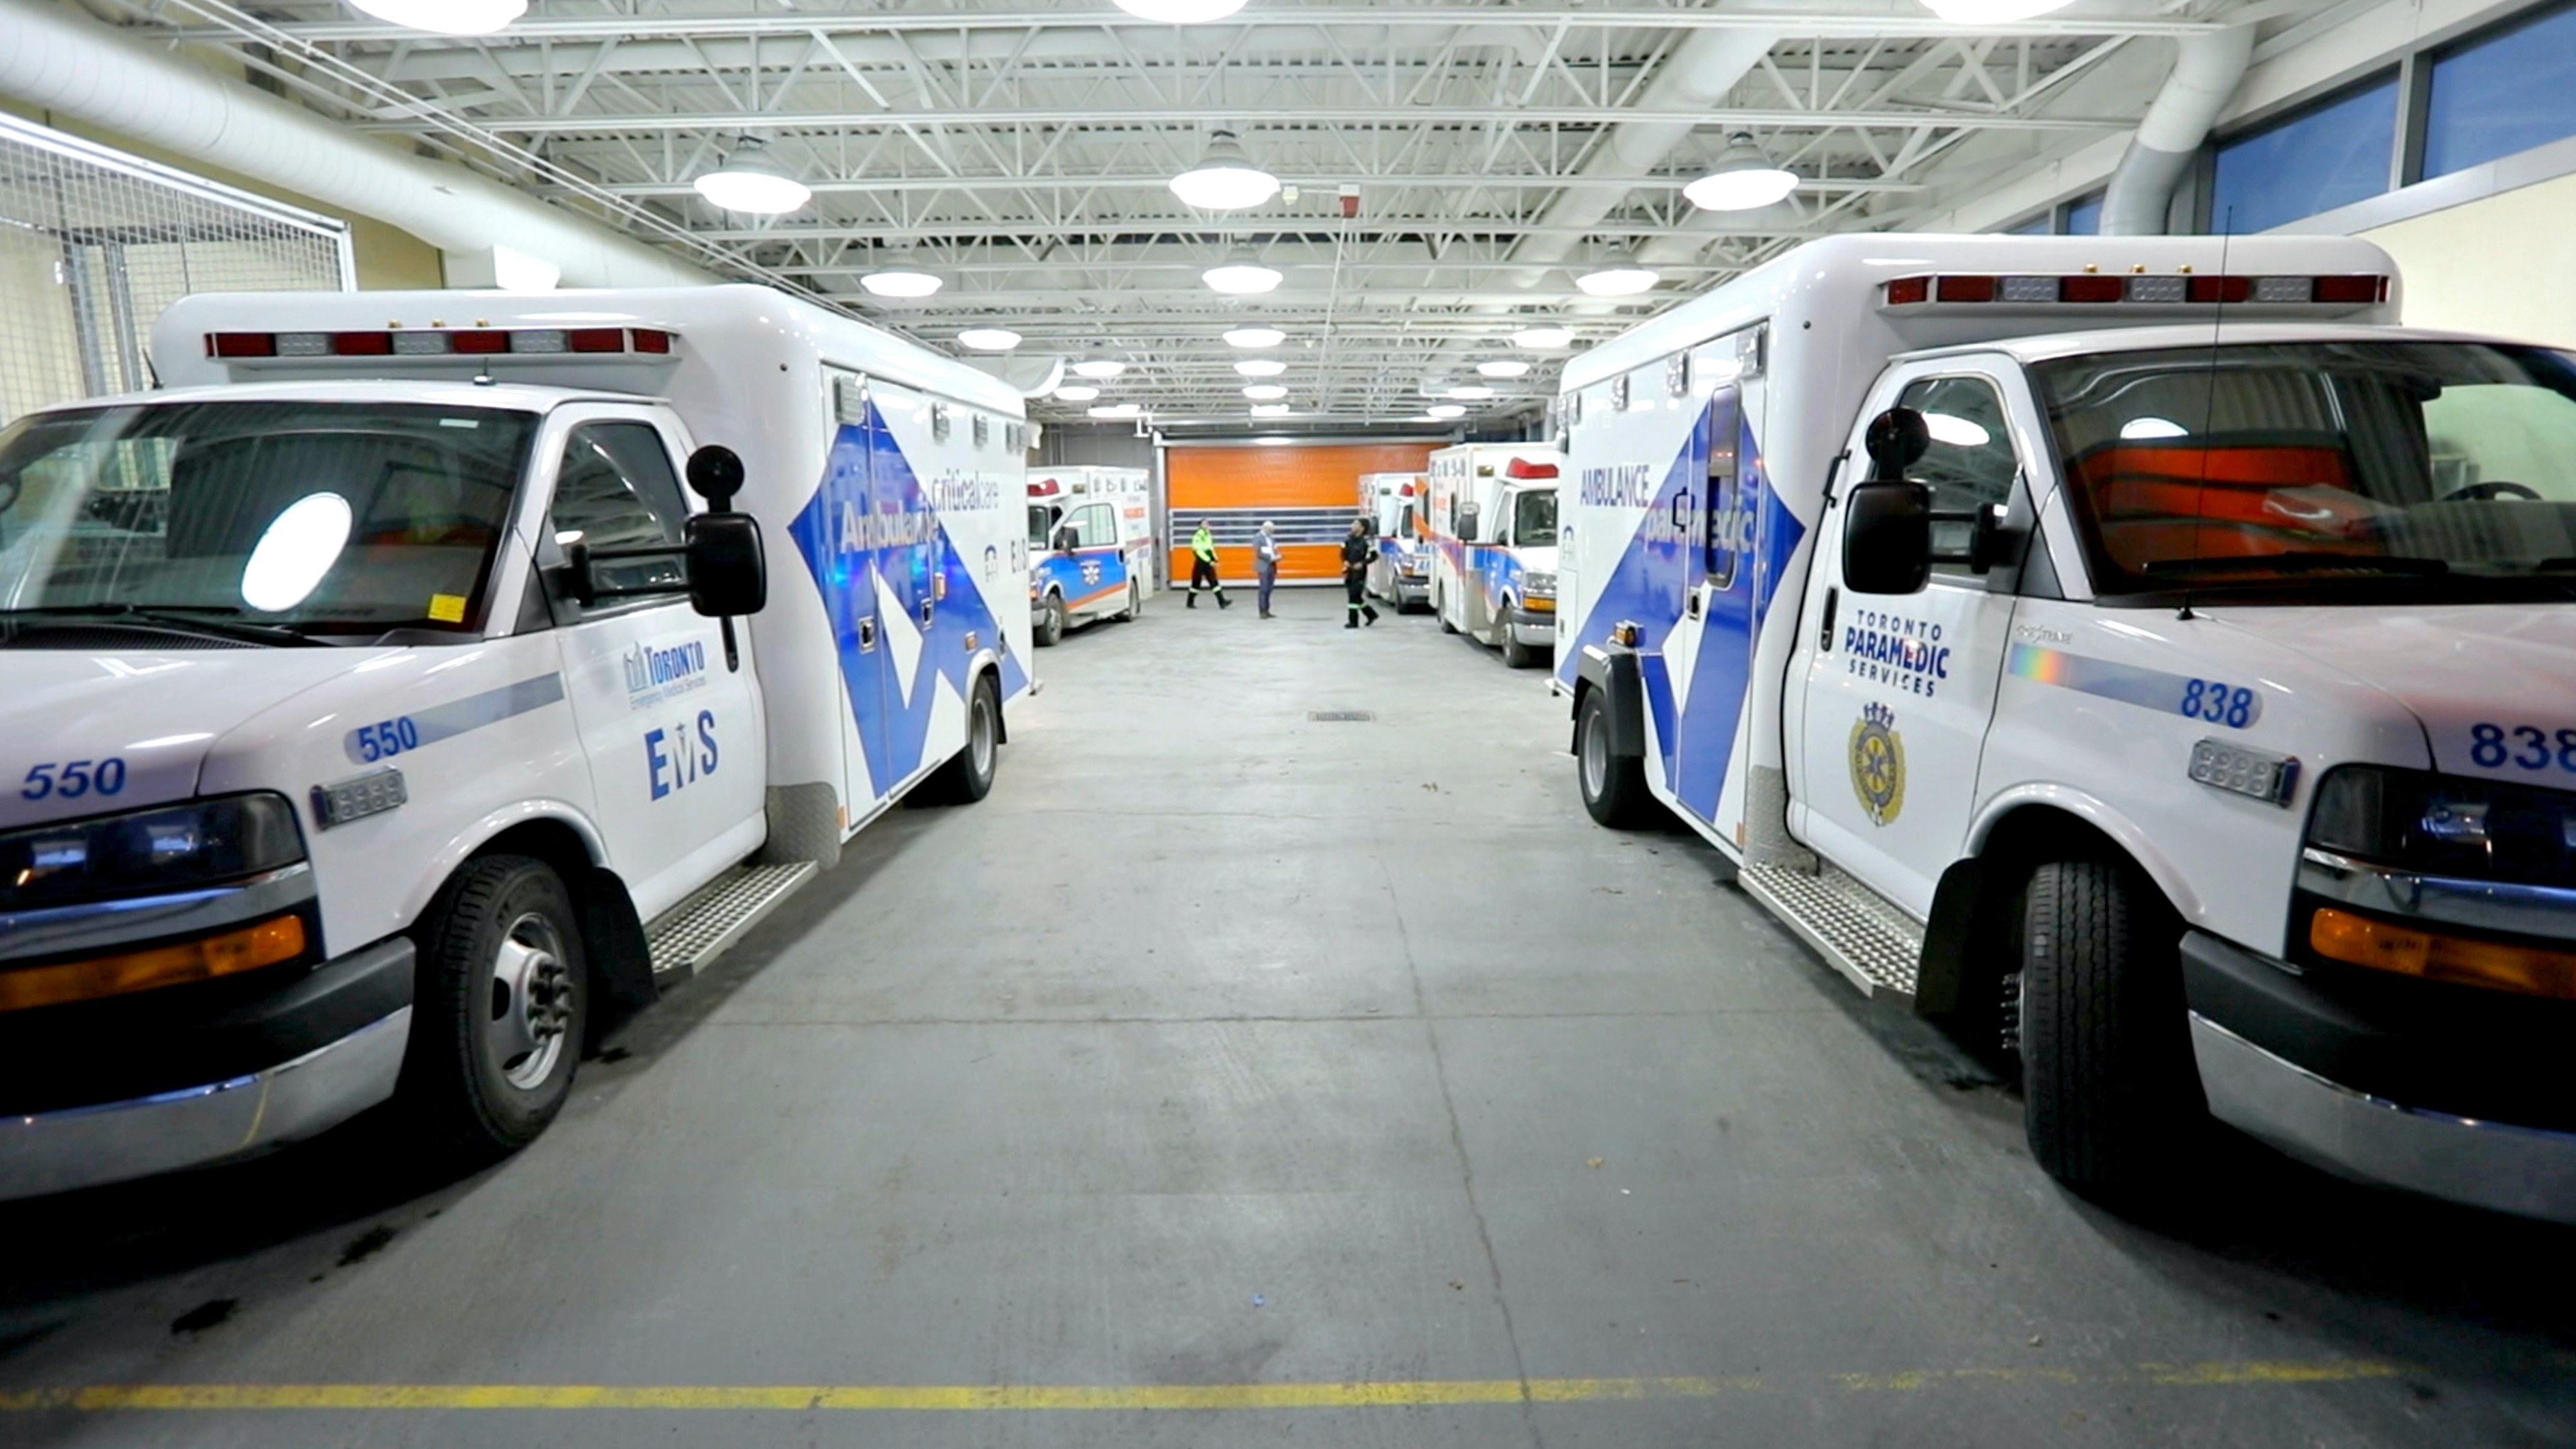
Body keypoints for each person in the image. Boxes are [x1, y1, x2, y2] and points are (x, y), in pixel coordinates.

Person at [1340, 517, 1379, 629]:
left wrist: (1362, 563)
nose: (1353, 526)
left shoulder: (1366, 543)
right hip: (1349, 571)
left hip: (1360, 573)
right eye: (1353, 524)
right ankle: (1371, 614)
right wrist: (1345, 562)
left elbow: (1374, 556)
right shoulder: (1347, 541)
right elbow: (1342, 554)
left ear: (1362, 528)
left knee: (1353, 597)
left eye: (1356, 524)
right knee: (1355, 596)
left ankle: (1353, 621)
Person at [1186, 520, 1231, 609]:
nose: (1207, 525)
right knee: (1197, 583)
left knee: (1213, 581)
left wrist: (1215, 559)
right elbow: (1198, 551)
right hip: (1201, 561)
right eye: (1204, 524)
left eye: (1207, 524)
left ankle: (1222, 602)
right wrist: (1208, 561)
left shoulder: (1208, 535)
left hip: (1207, 561)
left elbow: (1211, 549)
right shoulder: (1198, 536)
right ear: (1200, 526)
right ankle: (1190, 602)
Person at [1254, 520, 1281, 618]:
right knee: (1264, 589)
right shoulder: (1257, 538)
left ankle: (1267, 610)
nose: (1271, 532)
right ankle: (1262, 611)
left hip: (1272, 565)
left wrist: (1278, 555)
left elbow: (1274, 549)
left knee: (1269, 589)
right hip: (1263, 566)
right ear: (1265, 528)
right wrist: (1270, 558)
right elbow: (1258, 553)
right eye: (1270, 530)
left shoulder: (1271, 538)